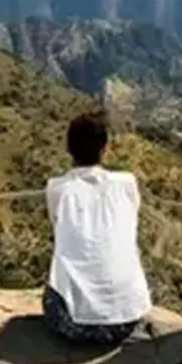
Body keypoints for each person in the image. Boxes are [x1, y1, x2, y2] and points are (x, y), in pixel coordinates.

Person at [42, 111, 151, 346]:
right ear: (105, 148)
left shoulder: (56, 189)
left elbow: (57, 227)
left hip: (71, 322)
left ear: (68, 149)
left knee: (56, 280)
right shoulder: (128, 183)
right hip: (127, 318)